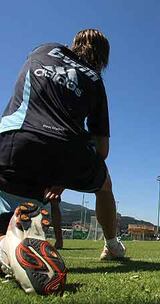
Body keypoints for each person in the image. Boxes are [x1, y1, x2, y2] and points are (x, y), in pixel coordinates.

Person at [0, 29, 125, 267]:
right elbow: (103, 149)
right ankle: (112, 245)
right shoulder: (95, 78)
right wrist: (65, 176)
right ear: (103, 57)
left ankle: (7, 243)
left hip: (11, 140)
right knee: (105, 185)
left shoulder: (43, 49)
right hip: (64, 150)